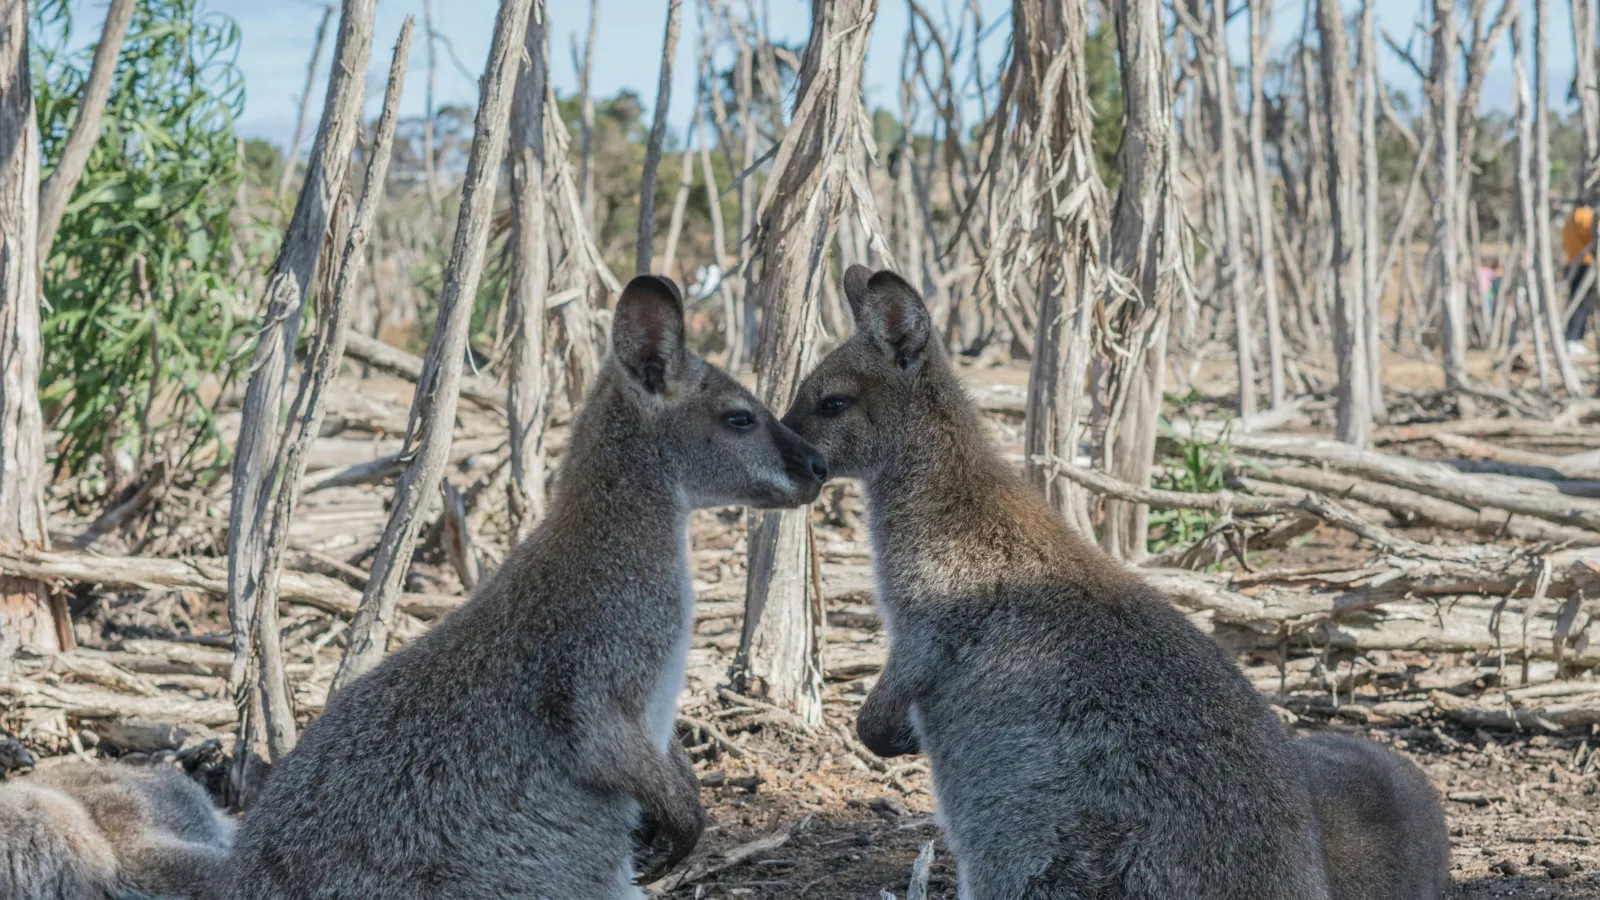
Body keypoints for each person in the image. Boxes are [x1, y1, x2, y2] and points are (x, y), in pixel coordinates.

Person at [1563, 205, 1595, 357]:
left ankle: (1576, 337)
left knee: (1580, 303)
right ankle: (1573, 338)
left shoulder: (1570, 218)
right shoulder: (1585, 215)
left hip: (1573, 263)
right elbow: (1593, 234)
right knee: (1580, 304)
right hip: (1585, 264)